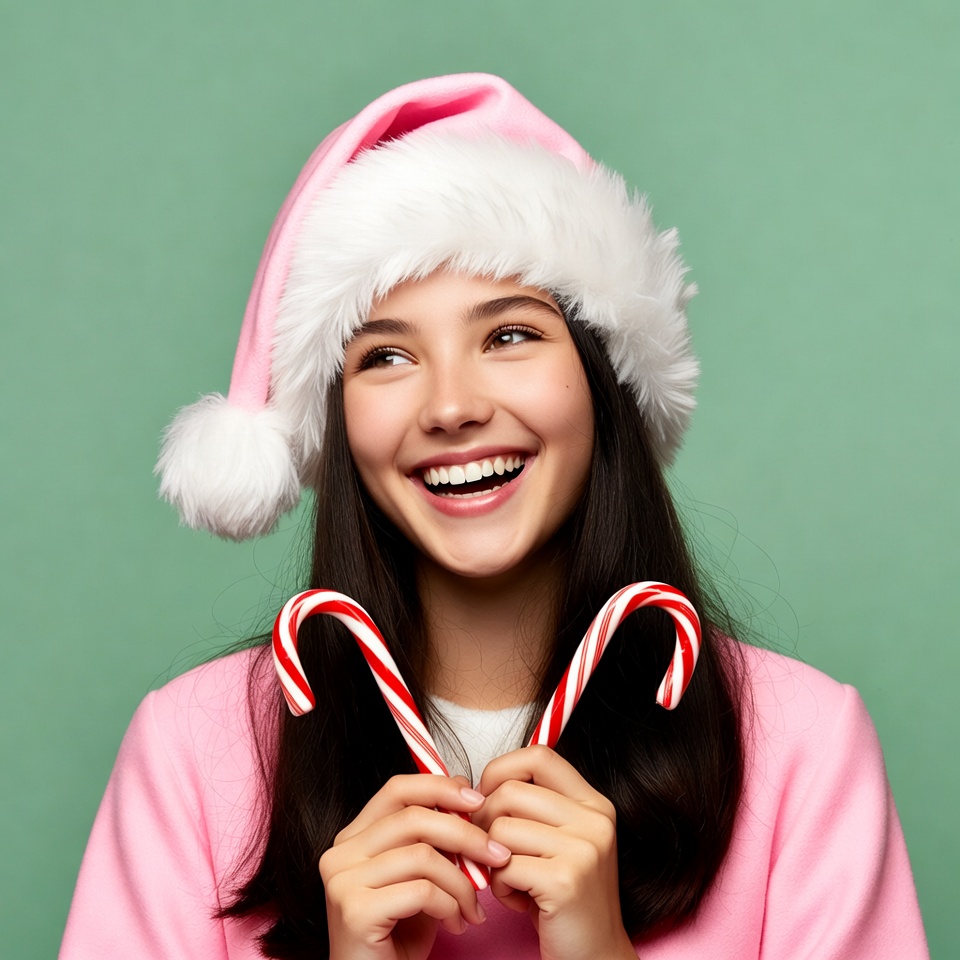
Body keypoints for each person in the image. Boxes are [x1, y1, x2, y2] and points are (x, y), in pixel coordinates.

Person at [59, 74, 929, 960]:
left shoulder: (804, 751)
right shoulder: (195, 756)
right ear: (337, 416)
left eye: (509, 335)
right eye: (386, 354)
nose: (450, 406)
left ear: (604, 380)